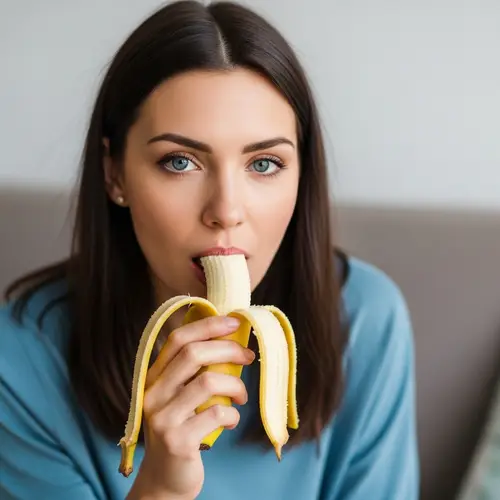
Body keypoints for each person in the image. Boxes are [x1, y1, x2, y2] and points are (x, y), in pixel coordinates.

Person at [0, 1, 419, 499]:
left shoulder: (364, 319)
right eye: (180, 161)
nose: (225, 210)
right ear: (114, 173)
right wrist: (160, 487)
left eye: (263, 164)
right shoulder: (20, 359)